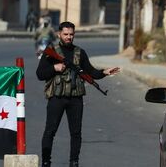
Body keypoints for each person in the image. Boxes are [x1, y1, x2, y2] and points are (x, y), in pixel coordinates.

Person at [36, 21, 120, 167]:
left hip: (75, 99)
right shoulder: (51, 52)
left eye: (71, 34)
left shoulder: (79, 52)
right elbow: (40, 74)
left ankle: (74, 162)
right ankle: (46, 161)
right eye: (66, 34)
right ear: (59, 34)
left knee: (76, 133)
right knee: (50, 131)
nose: (69, 37)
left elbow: (91, 72)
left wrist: (104, 72)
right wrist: (54, 68)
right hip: (57, 98)